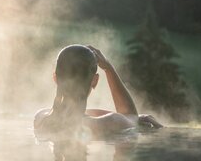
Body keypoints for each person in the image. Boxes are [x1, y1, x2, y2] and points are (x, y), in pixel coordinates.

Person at [34, 44, 162, 137]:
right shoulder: (110, 122)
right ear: (95, 81)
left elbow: (76, 113)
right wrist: (108, 68)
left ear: (55, 78)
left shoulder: (40, 118)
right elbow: (130, 115)